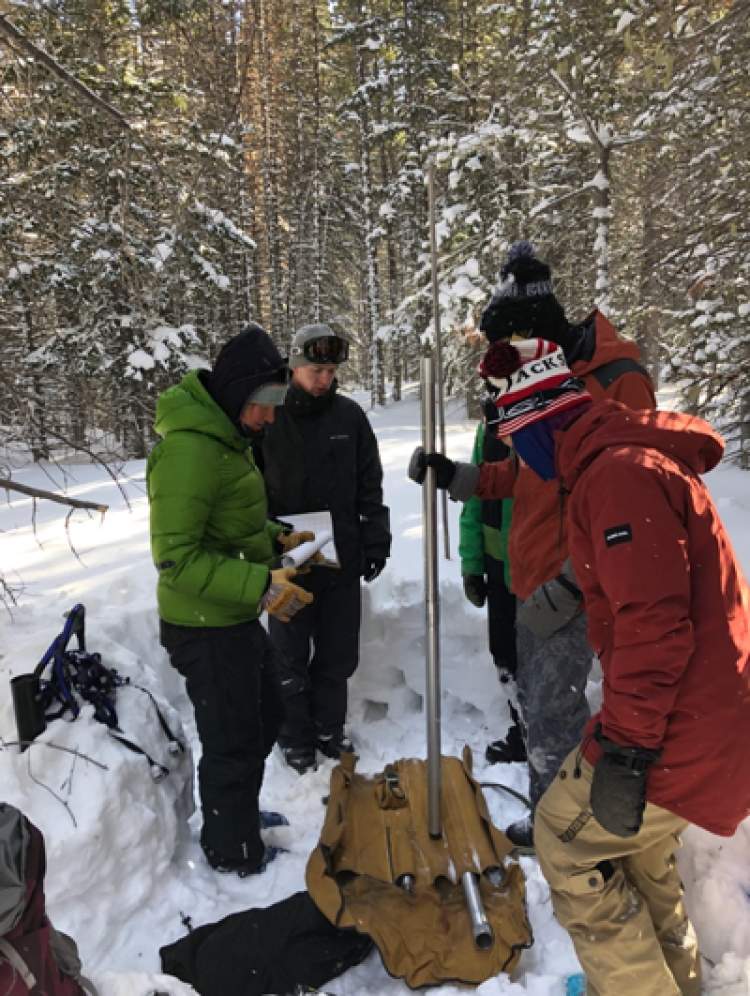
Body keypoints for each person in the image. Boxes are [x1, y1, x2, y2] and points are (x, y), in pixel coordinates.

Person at [468, 336, 750, 996]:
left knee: (563, 841)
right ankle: (667, 981)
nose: (515, 451)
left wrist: (624, 753)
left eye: (515, 435)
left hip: (683, 730)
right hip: (704, 718)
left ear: (541, 421)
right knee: (642, 850)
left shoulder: (616, 476)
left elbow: (654, 629)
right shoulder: (618, 458)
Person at [412, 240, 656, 850]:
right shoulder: (540, 381)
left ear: (533, 335)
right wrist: (461, 477)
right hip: (529, 577)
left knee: (554, 715)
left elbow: (640, 509)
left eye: (510, 351)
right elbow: (530, 475)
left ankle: (562, 831)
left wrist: (575, 582)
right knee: (543, 712)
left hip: (574, 588)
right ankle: (557, 812)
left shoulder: (617, 383)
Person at [147, 324, 315, 877]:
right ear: (233, 394)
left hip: (234, 616)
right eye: (262, 405)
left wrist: (276, 538)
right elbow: (177, 558)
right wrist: (263, 585)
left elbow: (227, 525)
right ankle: (231, 848)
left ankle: (235, 816)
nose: (269, 417)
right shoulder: (190, 451)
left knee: (262, 719)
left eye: (275, 404)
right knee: (233, 740)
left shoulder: (226, 440)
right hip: (204, 626)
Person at [258, 324, 391, 775]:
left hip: (342, 560)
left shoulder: (349, 417)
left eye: (331, 370)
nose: (324, 379)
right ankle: (293, 736)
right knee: (289, 656)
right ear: (295, 366)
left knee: (338, 656)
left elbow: (369, 483)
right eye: (316, 369)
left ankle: (328, 730)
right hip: (287, 563)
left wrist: (377, 536)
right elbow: (248, 490)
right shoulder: (268, 417)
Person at [458, 415, 525, 764]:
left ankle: (542, 737)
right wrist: (472, 563)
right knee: (505, 655)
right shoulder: (489, 427)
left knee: (539, 662)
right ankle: (523, 729)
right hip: (498, 565)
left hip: (536, 569)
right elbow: (474, 494)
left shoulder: (544, 421)